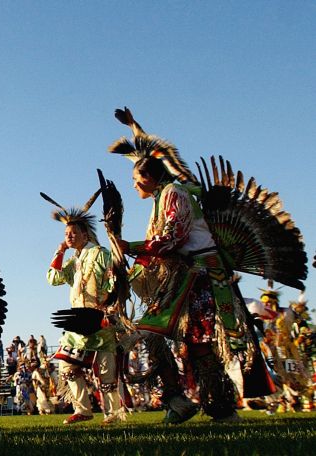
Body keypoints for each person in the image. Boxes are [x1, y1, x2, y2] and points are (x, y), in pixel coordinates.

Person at [111, 108, 247, 423]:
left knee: (196, 346)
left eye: (136, 179)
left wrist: (130, 247)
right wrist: (134, 127)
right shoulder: (163, 196)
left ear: (149, 178)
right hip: (185, 275)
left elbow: (173, 237)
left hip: (201, 275)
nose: (133, 186)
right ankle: (177, 401)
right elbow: (148, 154)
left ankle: (221, 409)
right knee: (156, 335)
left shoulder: (175, 194)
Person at [46, 196, 125, 425]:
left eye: (72, 234)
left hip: (100, 319)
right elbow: (53, 278)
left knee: (106, 370)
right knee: (67, 365)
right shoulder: (74, 260)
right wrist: (59, 253)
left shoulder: (100, 253)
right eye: (65, 234)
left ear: (85, 235)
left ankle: (113, 414)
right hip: (78, 322)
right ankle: (83, 409)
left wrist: (110, 311)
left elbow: (113, 283)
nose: (68, 237)